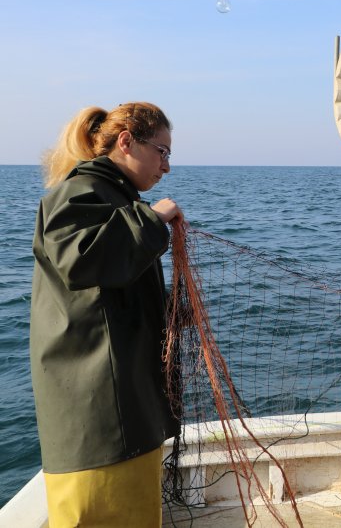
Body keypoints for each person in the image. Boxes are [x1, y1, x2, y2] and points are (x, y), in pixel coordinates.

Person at [30, 102, 183, 527]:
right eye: (162, 151)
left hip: (124, 414)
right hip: (98, 423)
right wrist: (151, 220)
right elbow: (79, 262)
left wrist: (170, 313)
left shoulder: (114, 196)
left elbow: (111, 292)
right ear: (126, 141)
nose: (166, 166)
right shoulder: (80, 193)